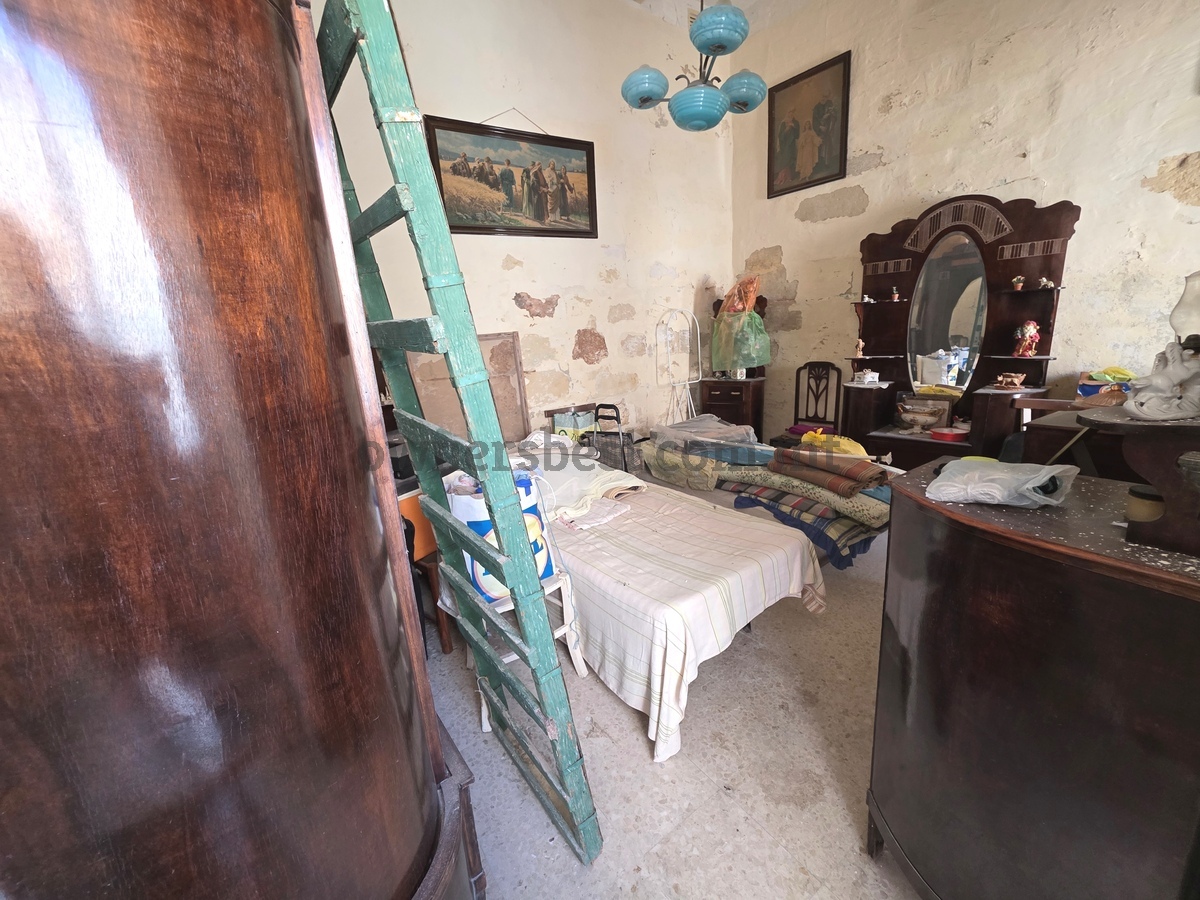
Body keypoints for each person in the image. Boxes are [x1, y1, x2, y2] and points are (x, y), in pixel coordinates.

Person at [812, 86, 838, 174]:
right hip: (820, 131)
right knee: (819, 146)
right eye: (822, 96)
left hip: (828, 129)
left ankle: (827, 163)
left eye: (825, 97)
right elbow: (814, 121)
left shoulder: (829, 104)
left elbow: (834, 115)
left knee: (828, 147)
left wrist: (831, 114)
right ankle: (820, 164)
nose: (824, 98)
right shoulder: (816, 107)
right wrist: (820, 127)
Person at [776, 113, 799, 185]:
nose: (790, 117)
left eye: (792, 115)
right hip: (785, 146)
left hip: (791, 145)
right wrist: (787, 129)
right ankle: (783, 177)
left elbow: (797, 135)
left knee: (791, 160)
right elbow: (781, 137)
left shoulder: (795, 123)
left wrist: (793, 127)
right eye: (789, 115)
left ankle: (789, 177)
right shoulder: (783, 124)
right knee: (785, 160)